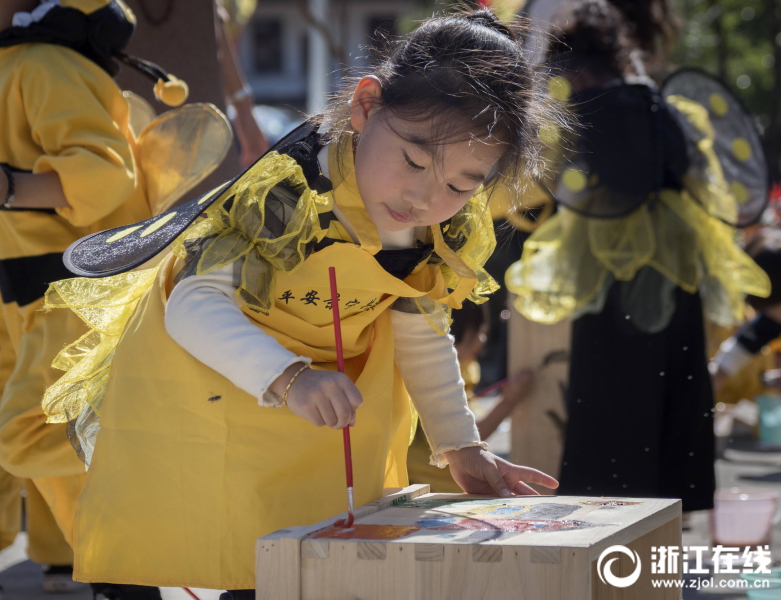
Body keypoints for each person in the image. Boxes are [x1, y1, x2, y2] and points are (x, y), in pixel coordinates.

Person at [42, 7, 562, 596]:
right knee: (202, 539)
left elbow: (421, 327)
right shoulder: (288, 194)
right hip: (211, 375)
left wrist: (463, 448)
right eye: (413, 161)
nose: (423, 197)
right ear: (367, 107)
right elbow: (192, 305)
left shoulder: (442, 232)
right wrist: (288, 378)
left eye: (460, 185)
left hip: (316, 402)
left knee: (299, 561)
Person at [505, 0, 769, 512]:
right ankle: (665, 513)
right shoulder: (664, 106)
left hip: (614, 283)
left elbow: (559, 186)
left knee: (609, 405)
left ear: (575, 66)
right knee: (674, 394)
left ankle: (611, 527)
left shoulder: (594, 107)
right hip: (679, 276)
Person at [0, 1, 225, 597]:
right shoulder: (23, 62)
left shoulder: (43, 64)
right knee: (48, 433)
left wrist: (6, 186)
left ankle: (128, 555)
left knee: (28, 431)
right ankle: (95, 564)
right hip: (31, 292)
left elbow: (104, 175)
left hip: (70, 290)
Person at [408, 301, 534, 492]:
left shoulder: (464, 369)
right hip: (437, 489)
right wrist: (508, 402)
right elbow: (463, 439)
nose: (482, 340)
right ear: (450, 339)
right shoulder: (431, 378)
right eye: (477, 332)